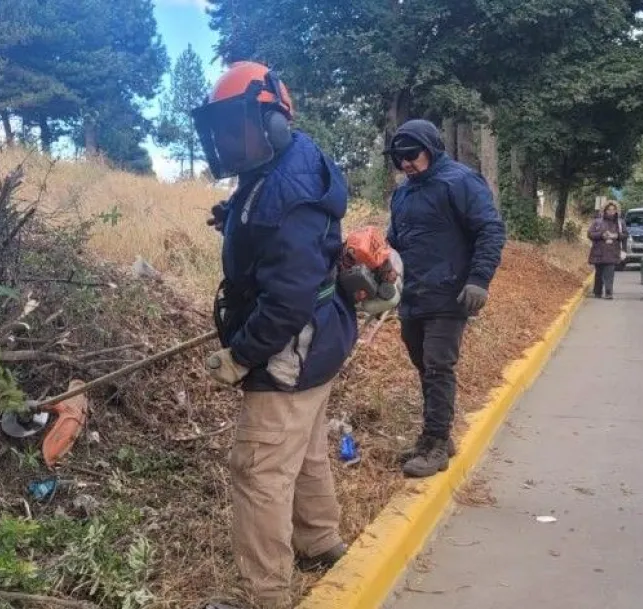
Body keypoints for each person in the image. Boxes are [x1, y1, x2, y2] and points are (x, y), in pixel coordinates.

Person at [193, 61, 356, 609]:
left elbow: (285, 300)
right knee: (305, 447)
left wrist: (240, 356)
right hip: (322, 342)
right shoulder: (286, 161)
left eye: (233, 125)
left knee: (258, 468)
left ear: (273, 122)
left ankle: (263, 595)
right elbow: (271, 214)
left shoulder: (286, 190)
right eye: (217, 129)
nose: (224, 139)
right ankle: (320, 540)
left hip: (289, 347)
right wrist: (235, 214)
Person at [385, 119, 506, 479]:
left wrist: (479, 279)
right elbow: (396, 241)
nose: (405, 164)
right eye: (398, 158)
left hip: (449, 293)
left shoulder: (460, 181)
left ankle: (436, 442)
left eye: (411, 155)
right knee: (423, 364)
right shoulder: (403, 194)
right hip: (413, 294)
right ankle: (436, 436)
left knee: (439, 365)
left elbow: (490, 229)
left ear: (430, 147)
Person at [587, 202, 627, 299]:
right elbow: (590, 234)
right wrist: (601, 235)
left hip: (612, 251)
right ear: (605, 210)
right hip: (599, 251)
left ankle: (609, 292)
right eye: (609, 209)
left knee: (609, 273)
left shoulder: (620, 223)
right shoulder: (597, 222)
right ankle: (597, 291)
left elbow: (625, 235)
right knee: (599, 273)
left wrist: (616, 236)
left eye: (614, 210)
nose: (611, 212)